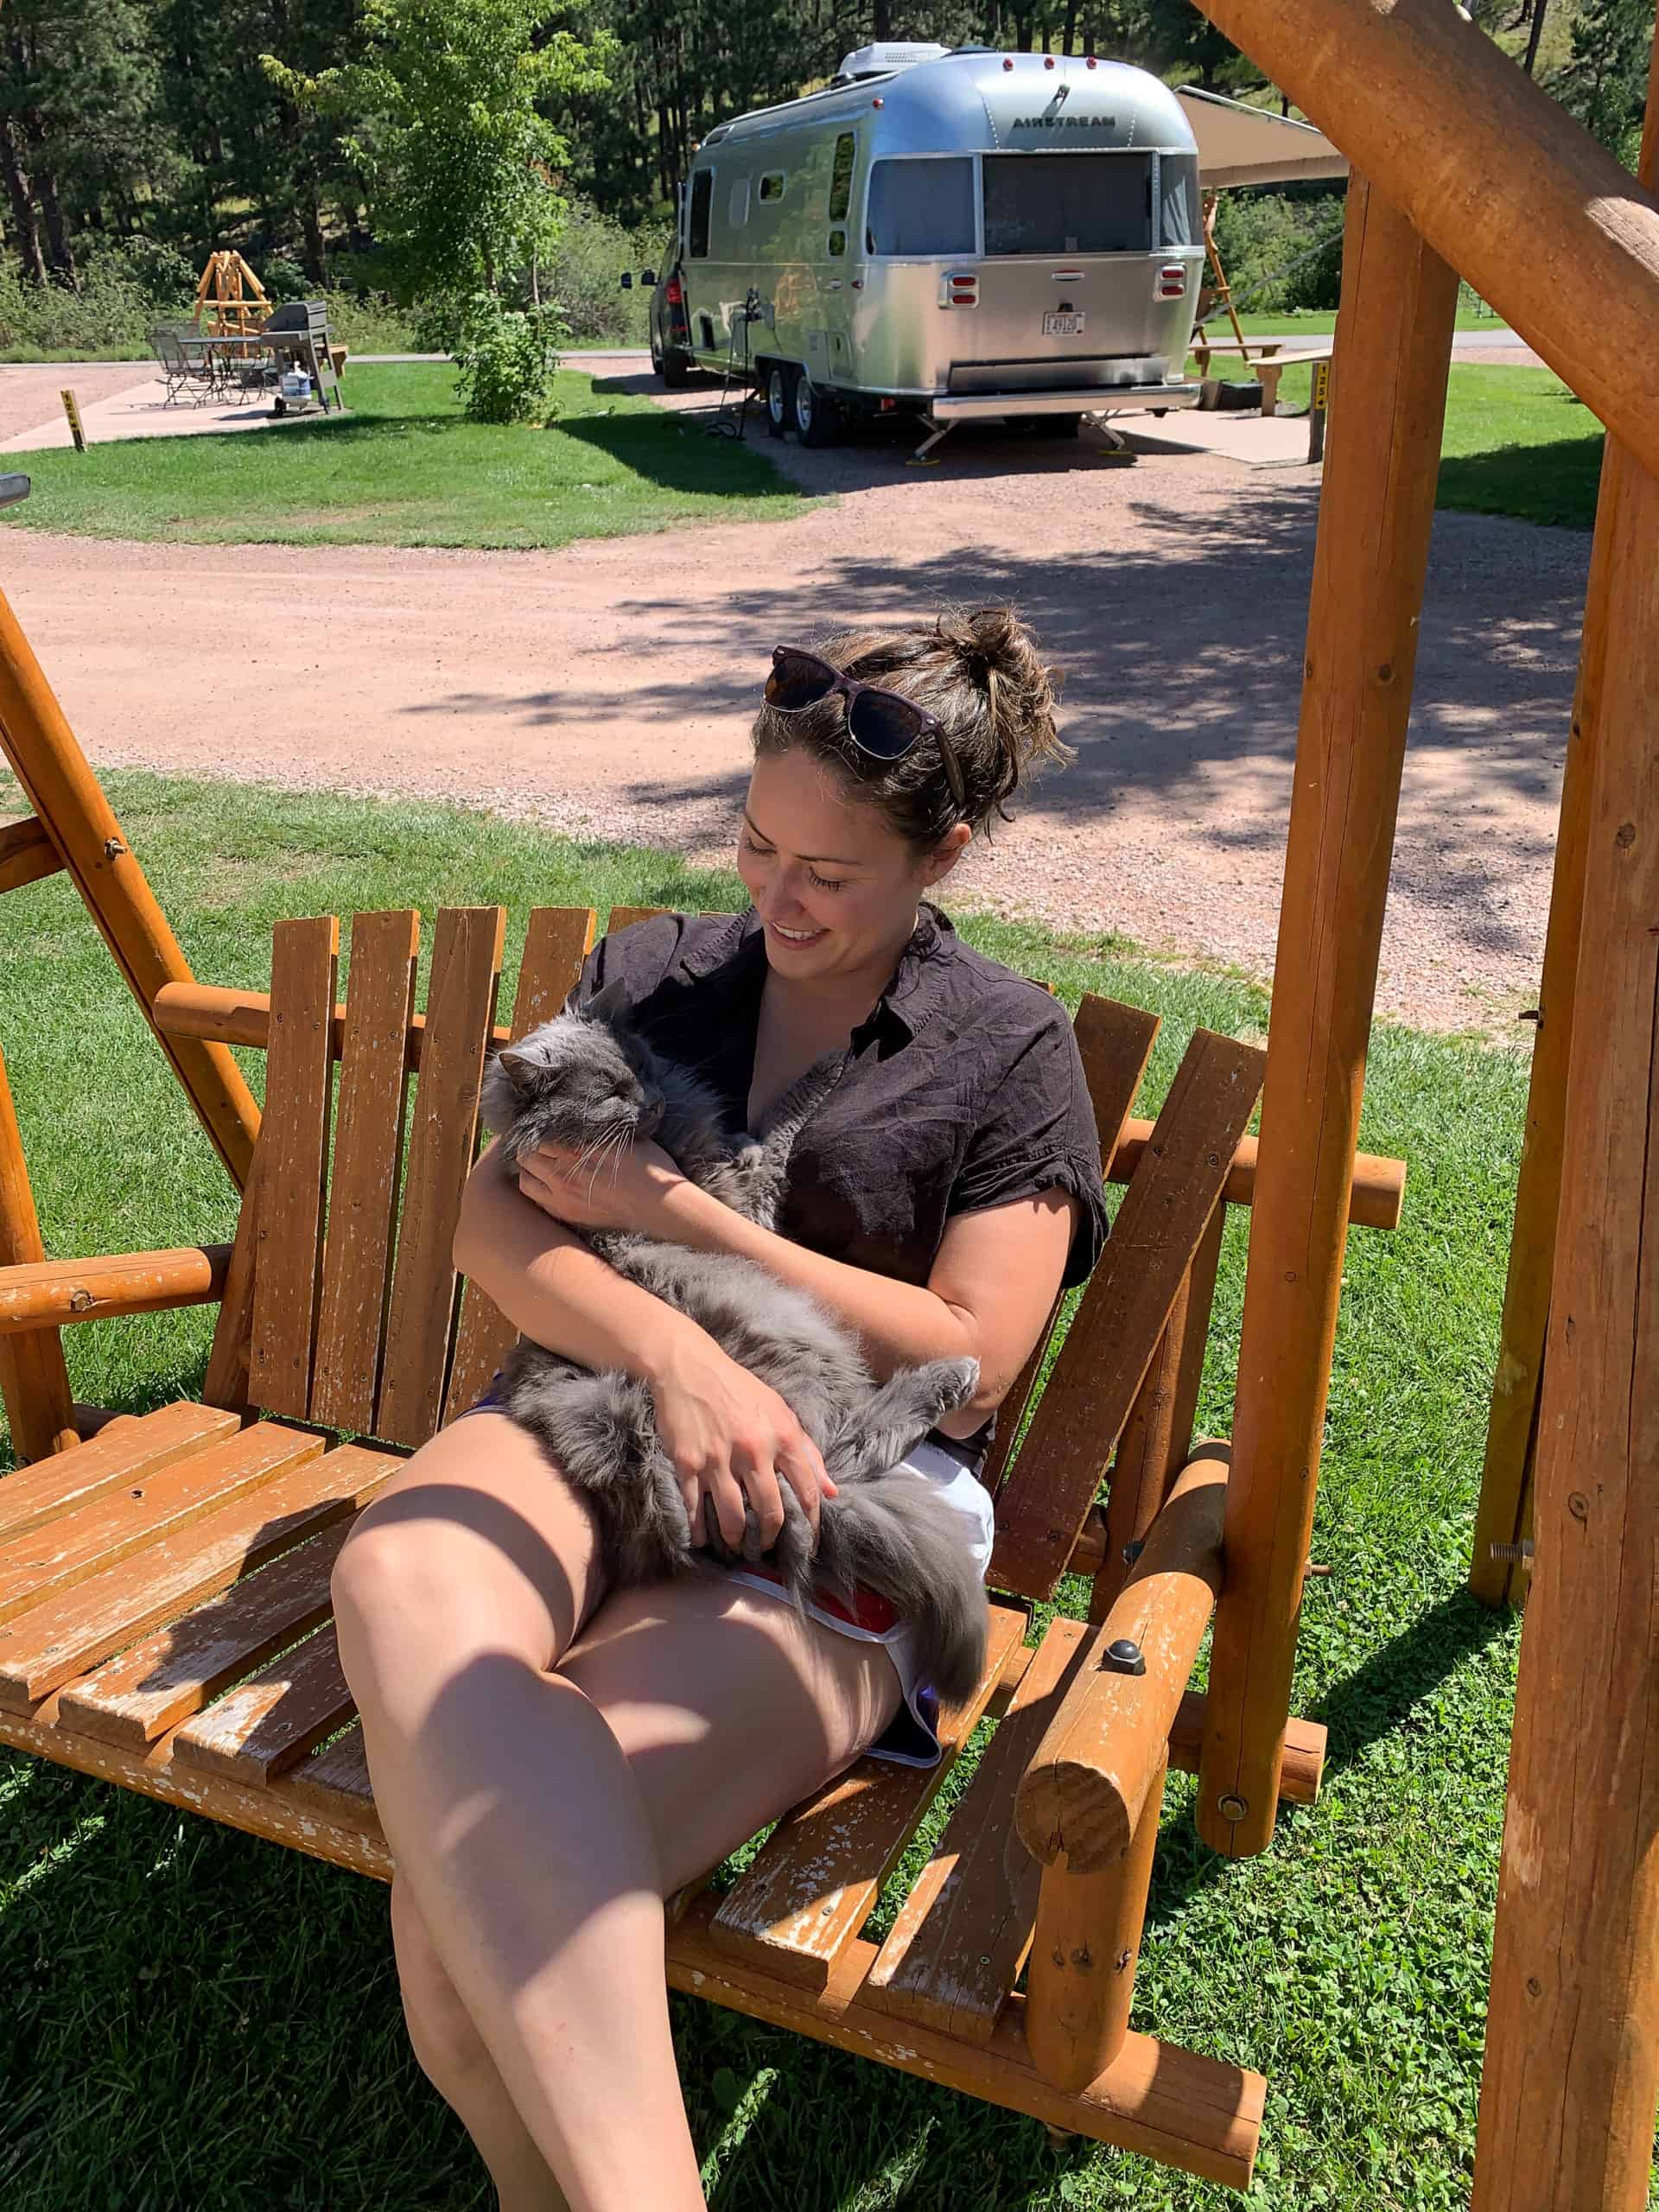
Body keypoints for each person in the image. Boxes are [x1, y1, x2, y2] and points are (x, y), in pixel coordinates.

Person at [331, 607, 1109, 2212]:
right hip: (597, 1405)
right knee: (399, 1572)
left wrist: (690, 1217)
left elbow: (970, 1355)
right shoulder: (655, 974)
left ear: (943, 858)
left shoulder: (1008, 1046)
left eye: (830, 875)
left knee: (455, 1917)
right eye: (757, 845)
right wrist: (679, 1358)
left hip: (848, 1496)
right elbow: (499, 1221)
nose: (778, 899)